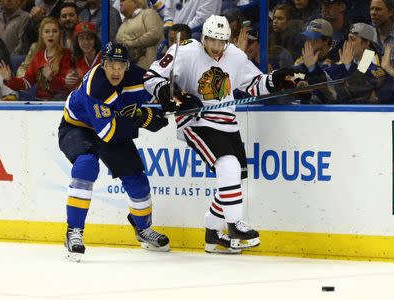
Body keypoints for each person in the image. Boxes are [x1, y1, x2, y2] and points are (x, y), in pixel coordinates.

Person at [143, 15, 294, 254]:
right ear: (203, 37)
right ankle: (234, 225)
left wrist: (276, 81)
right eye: (212, 40)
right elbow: (152, 77)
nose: (216, 47)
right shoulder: (185, 52)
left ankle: (213, 234)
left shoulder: (235, 55)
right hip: (195, 121)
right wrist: (174, 95)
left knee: (233, 178)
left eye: (221, 42)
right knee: (229, 165)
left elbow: (254, 84)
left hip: (228, 123)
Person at [58, 42, 170, 262]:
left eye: (121, 65)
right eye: (111, 65)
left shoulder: (132, 75)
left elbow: (153, 84)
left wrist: (172, 98)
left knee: (136, 179)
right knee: (86, 165)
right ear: (103, 64)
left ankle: (143, 228)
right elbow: (109, 133)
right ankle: (74, 232)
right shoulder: (95, 85)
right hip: (78, 128)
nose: (116, 71)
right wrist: (146, 119)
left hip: (111, 125)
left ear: (127, 66)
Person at [0, 17, 73, 100]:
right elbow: (27, 83)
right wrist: (10, 79)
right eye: (47, 31)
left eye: (55, 31)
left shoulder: (67, 54)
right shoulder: (38, 56)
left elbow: (67, 85)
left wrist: (51, 79)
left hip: (60, 101)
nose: (51, 34)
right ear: (42, 35)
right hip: (40, 101)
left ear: (59, 34)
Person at [115, 0, 163, 70]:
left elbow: (154, 34)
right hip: (128, 69)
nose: (120, 2)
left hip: (147, 69)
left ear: (135, 2)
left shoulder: (148, 13)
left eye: (123, 0)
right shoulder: (125, 21)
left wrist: (131, 43)